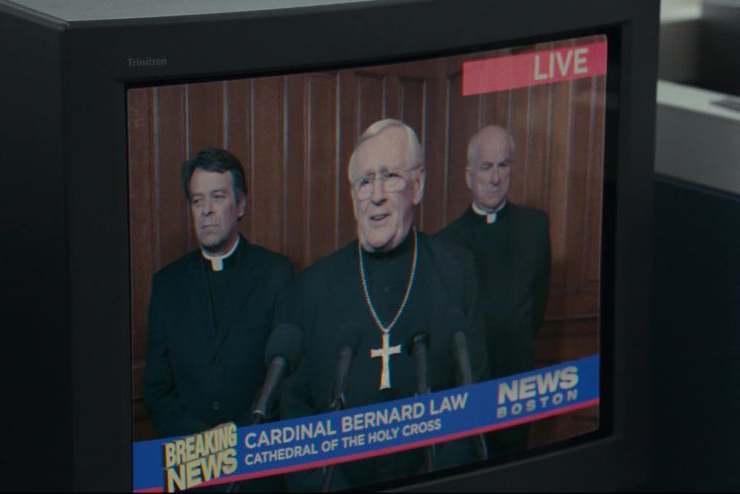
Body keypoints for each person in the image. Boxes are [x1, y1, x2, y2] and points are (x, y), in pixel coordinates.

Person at [281, 119, 489, 491]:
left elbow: (474, 393)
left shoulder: (455, 272)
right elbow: (294, 408)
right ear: (353, 197)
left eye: (390, 176)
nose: (376, 195)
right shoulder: (313, 286)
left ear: (418, 185)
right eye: (364, 182)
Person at [143, 147, 293, 476]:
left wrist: (237, 441)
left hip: (256, 460)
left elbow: (286, 379)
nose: (206, 211)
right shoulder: (166, 284)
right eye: (197, 201)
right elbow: (156, 388)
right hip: (188, 461)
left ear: (240, 205)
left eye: (217, 197)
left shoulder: (276, 274)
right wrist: (204, 444)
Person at [435, 124, 551, 457]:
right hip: (468, 387)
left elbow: (537, 305)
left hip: (518, 378)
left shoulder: (535, 227)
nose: (496, 178)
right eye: (486, 167)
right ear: (469, 176)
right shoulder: (445, 243)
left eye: (503, 165)